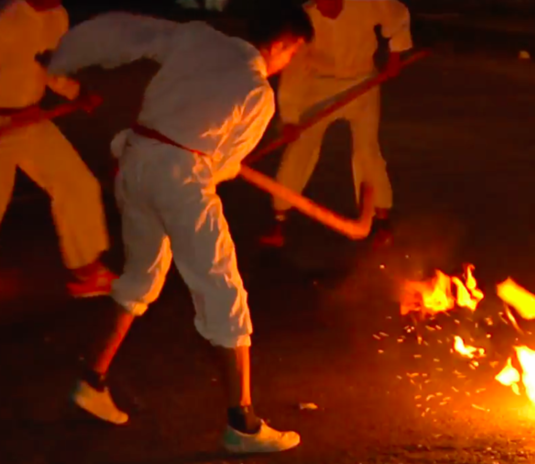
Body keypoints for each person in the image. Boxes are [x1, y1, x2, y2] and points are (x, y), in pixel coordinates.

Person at [47, 5, 314, 453]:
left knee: (141, 277)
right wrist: (219, 164)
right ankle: (243, 425)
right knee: (222, 290)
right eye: (294, 52)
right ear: (284, 44)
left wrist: (64, 57)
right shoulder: (258, 92)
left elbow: (126, 32)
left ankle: (92, 380)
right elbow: (223, 165)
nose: (291, 61)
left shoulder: (199, 37)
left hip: (136, 162)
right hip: (180, 179)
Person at [259, 0, 412, 248]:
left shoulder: (366, 3)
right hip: (319, 86)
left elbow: (397, 14)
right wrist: (290, 119)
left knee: (367, 150)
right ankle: (279, 218)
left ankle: (381, 219)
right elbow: (294, 69)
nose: (322, 5)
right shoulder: (307, 17)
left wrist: (395, 55)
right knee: (300, 147)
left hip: (363, 82)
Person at [0, 0, 114, 297]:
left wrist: (76, 92)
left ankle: (87, 271)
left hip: (32, 122)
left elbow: (50, 66)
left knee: (77, 185)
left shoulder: (57, 16)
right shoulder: (6, 17)